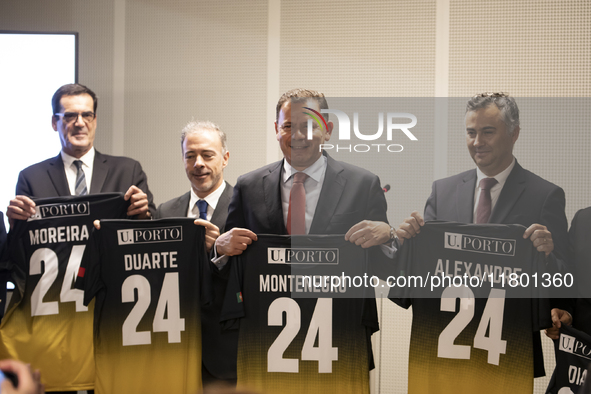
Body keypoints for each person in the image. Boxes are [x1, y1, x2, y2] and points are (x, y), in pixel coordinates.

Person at [396, 92, 569, 377]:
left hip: (508, 351)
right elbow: (420, 274)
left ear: (514, 134)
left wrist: (548, 256)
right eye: (471, 132)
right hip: (443, 347)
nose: (477, 142)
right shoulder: (443, 191)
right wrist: (406, 242)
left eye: (488, 132)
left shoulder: (545, 196)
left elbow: (565, 280)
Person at [216, 88, 394, 256]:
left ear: (328, 130)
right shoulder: (248, 187)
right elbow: (229, 266)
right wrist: (219, 249)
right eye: (288, 126)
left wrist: (389, 236)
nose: (298, 135)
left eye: (308, 126)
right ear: (276, 129)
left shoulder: (363, 186)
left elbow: (383, 268)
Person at [154, 120, 237, 386]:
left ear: (224, 159)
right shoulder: (165, 212)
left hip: (225, 352)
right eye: (190, 156)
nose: (198, 163)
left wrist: (216, 252)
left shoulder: (247, 207)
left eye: (207, 155)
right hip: (174, 348)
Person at [6, 83, 154, 225]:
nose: (80, 123)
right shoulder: (31, 178)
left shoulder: (127, 171)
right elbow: (22, 242)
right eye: (70, 116)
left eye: (87, 115)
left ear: (95, 120)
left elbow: (149, 232)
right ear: (54, 122)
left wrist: (143, 215)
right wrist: (16, 224)